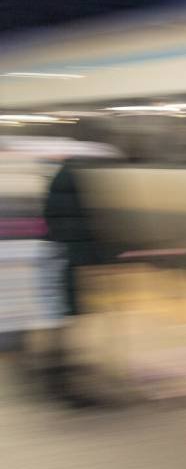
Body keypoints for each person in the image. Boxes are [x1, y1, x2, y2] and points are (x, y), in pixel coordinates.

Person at [42, 154, 110, 408]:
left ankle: (59, 379)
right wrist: (94, 257)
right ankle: (62, 385)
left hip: (62, 258)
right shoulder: (71, 178)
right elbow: (74, 225)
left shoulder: (65, 176)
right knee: (63, 317)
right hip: (65, 261)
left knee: (61, 319)